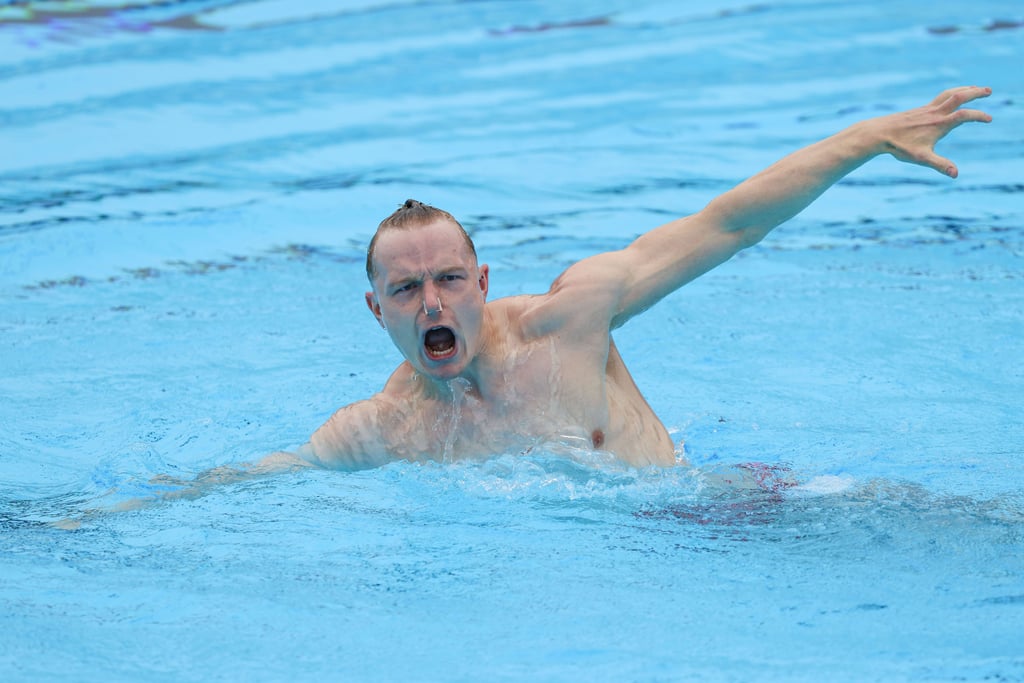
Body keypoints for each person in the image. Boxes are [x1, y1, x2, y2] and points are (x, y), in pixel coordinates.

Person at [249, 85, 991, 474]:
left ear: (482, 283)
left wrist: (867, 139)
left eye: (448, 278)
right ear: (376, 309)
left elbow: (727, 225)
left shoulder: (570, 318)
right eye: (408, 290)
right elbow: (269, 474)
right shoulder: (387, 427)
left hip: (717, 512)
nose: (433, 301)